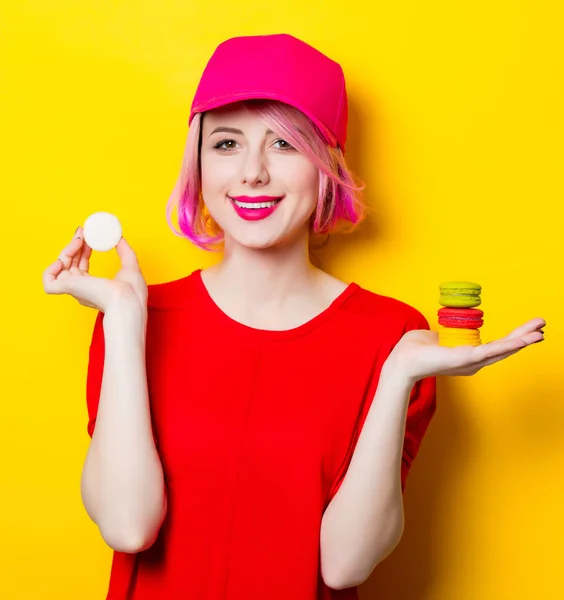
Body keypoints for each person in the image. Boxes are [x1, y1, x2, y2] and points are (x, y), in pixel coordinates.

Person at [42, 33, 545, 600]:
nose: (252, 173)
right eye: (227, 144)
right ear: (198, 160)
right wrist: (125, 324)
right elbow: (128, 526)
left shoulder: (392, 340)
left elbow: (344, 565)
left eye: (284, 144)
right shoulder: (134, 317)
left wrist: (398, 378)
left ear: (327, 163)